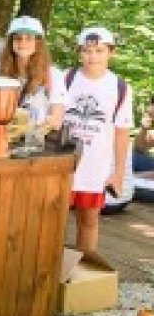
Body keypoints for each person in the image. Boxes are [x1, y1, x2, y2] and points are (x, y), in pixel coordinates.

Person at [60, 27, 133, 255]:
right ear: (79, 52)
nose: (92, 57)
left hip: (94, 168)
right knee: (55, 221)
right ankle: (50, 268)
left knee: (89, 221)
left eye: (99, 51)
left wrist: (118, 173)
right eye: (87, 51)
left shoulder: (120, 87)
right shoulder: (66, 78)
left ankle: (85, 268)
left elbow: (121, 133)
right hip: (63, 164)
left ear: (111, 52)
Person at [0, 16, 64, 132]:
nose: (22, 43)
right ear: (11, 43)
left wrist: (46, 123)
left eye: (29, 38)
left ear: (38, 43)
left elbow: (57, 120)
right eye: (17, 38)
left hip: (34, 138)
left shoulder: (53, 74)